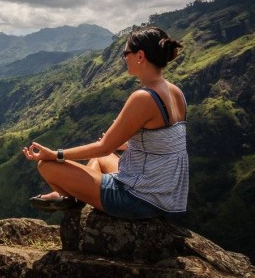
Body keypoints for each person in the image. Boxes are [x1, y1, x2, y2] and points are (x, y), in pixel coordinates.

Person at [23, 26, 188, 219]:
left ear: (140, 56)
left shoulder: (144, 97)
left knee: (46, 165)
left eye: (126, 53)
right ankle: (73, 196)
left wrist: (55, 154)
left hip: (139, 200)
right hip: (168, 198)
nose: (124, 58)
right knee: (101, 159)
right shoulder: (176, 92)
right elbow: (167, 142)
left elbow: (102, 147)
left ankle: (70, 196)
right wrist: (126, 144)